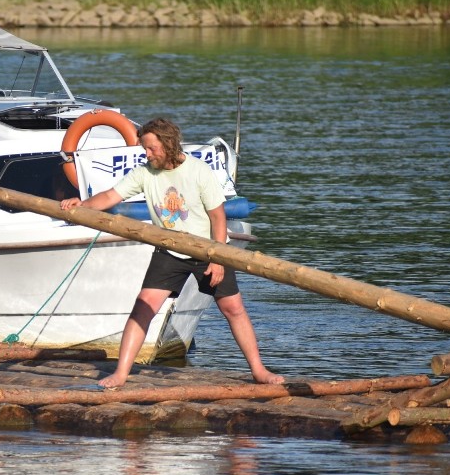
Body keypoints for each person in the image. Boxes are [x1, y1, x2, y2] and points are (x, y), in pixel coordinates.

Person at [60, 117, 284, 388]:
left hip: (208, 250)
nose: (147, 153)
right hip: (169, 251)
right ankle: (120, 374)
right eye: (145, 148)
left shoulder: (199, 171)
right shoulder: (145, 172)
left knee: (233, 308)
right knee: (142, 309)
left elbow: (218, 217)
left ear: (168, 144)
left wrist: (218, 259)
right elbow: (110, 197)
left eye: (152, 148)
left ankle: (259, 371)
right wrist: (82, 205)